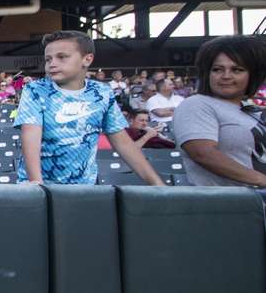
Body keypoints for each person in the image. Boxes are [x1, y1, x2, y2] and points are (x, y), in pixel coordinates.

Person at [15, 31, 164, 186]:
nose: (52, 63)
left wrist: (157, 185)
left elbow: (123, 143)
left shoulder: (102, 93)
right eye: (48, 59)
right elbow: (30, 134)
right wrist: (36, 182)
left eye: (62, 57)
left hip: (84, 189)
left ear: (87, 59)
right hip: (40, 188)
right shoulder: (35, 89)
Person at [172, 36, 266, 190]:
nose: (226, 76)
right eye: (217, 69)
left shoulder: (251, 110)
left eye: (237, 70)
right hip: (227, 206)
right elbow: (202, 153)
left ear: (253, 75)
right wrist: (261, 180)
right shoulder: (196, 104)